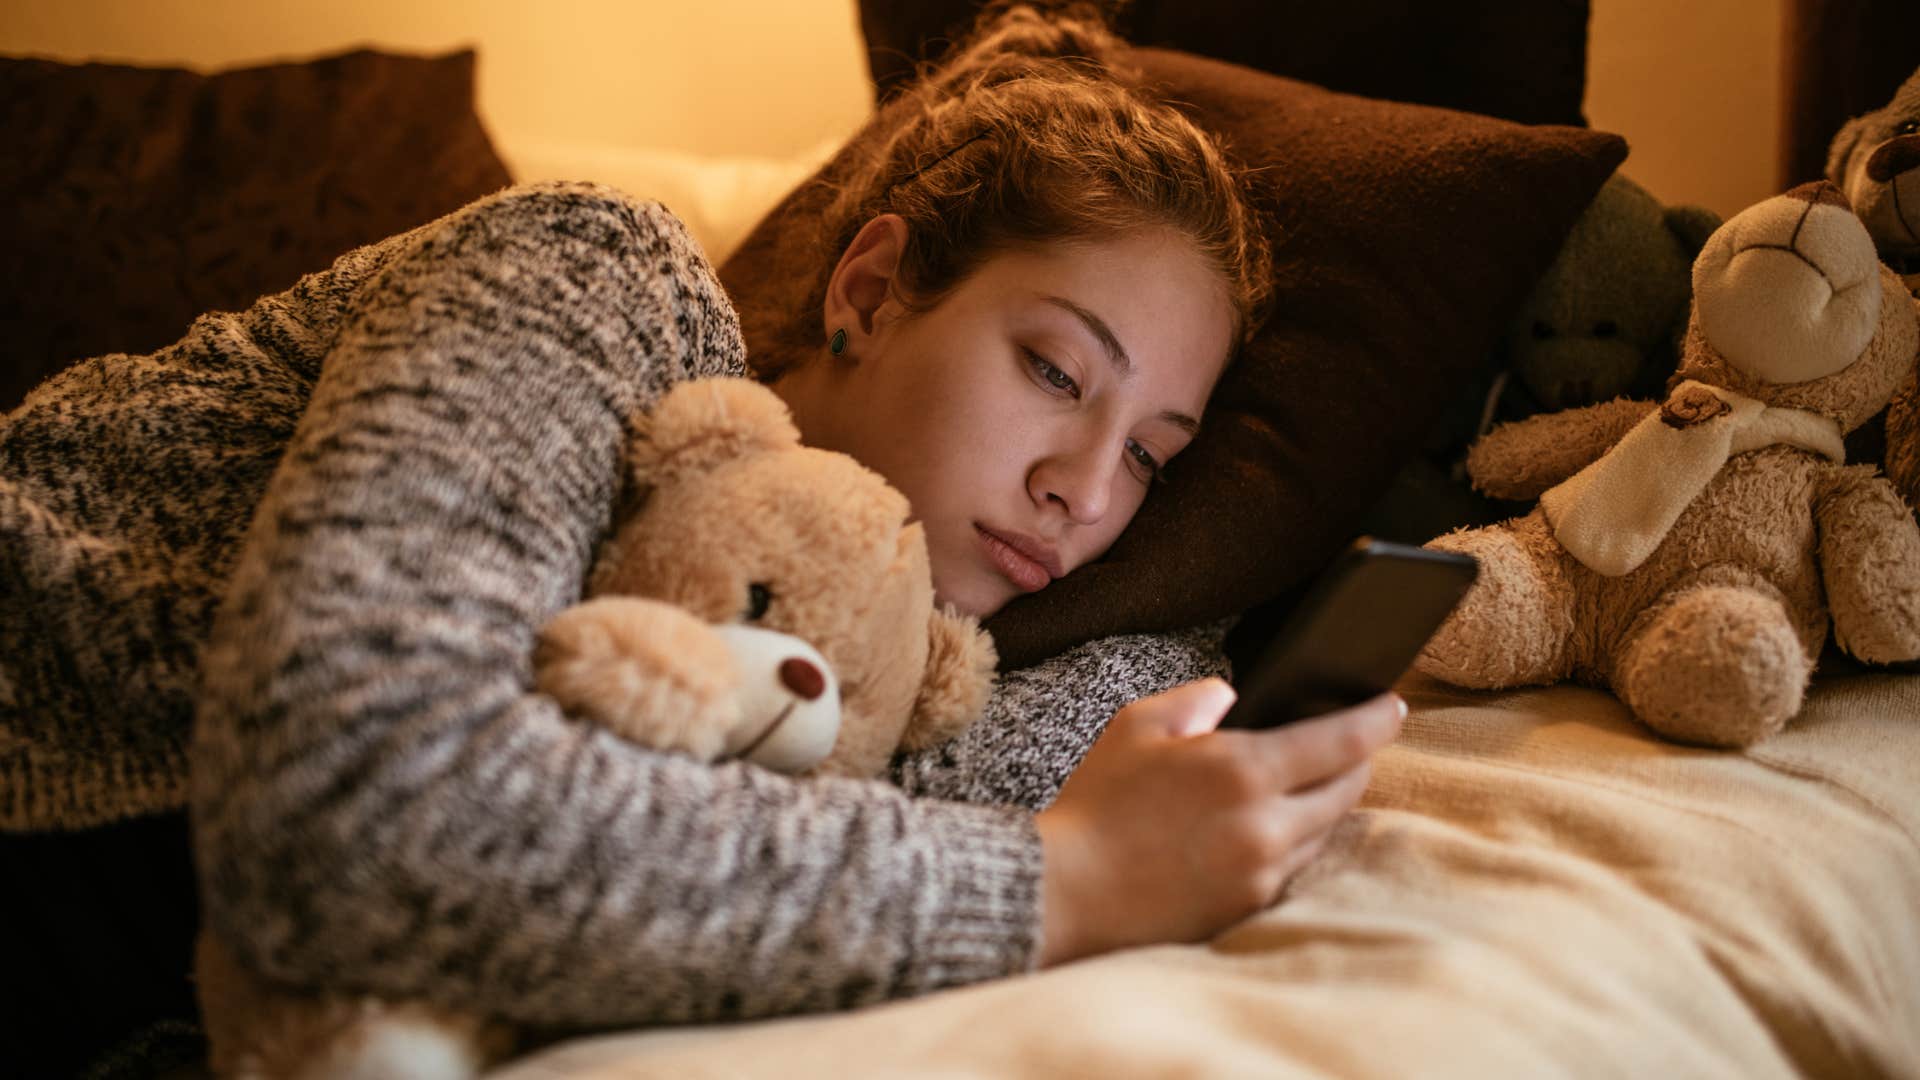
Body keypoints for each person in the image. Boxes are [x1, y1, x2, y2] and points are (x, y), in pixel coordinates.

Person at [0, 4, 1403, 1073]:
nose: (1085, 491)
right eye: (1053, 372)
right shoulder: (602, 282)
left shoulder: (909, 677)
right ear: (872, 285)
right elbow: (346, 795)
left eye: (1154, 457)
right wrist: (1068, 882)